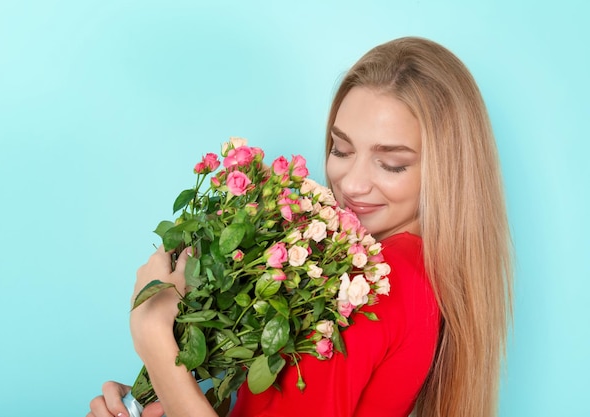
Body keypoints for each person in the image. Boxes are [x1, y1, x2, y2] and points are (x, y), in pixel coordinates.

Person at [87, 36, 512, 417]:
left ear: (449, 171)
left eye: (392, 163)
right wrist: (161, 397)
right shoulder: (400, 271)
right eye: (341, 149)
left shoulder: (381, 282)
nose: (353, 184)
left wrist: (155, 341)